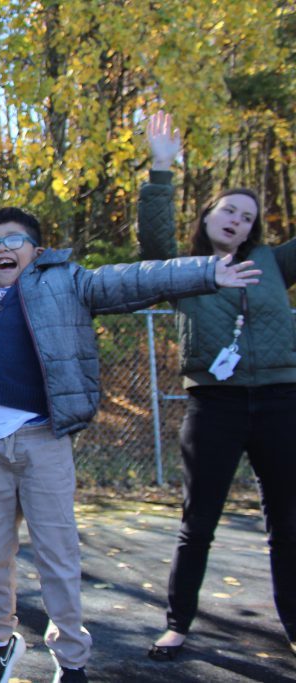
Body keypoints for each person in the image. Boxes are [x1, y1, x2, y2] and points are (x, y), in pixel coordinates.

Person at [0, 207, 261, 683]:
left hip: (43, 441)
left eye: (13, 241)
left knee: (57, 554)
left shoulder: (68, 282)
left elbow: (134, 280)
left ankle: (71, 660)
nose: (2, 249)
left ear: (38, 251)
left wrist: (206, 271)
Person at [139, 111, 296, 661]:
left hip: (282, 402)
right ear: (207, 215)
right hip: (216, 405)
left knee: (288, 525)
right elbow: (153, 240)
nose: (238, 219)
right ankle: (178, 625)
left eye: (248, 216)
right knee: (197, 523)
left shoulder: (273, 264)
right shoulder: (185, 269)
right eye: (229, 209)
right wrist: (162, 167)